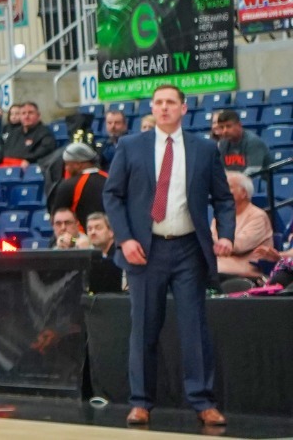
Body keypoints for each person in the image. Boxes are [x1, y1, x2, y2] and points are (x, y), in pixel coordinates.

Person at [101, 82, 235, 427]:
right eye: (158, 102)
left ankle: (204, 402)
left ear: (183, 108)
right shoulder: (131, 146)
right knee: (144, 327)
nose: (164, 108)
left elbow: (223, 197)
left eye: (170, 102)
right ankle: (141, 402)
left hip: (189, 248)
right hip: (145, 250)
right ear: (152, 107)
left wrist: (227, 234)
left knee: (194, 328)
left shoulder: (204, 149)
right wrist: (125, 239)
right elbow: (112, 196)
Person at [216, 172, 277, 288]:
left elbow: (238, 246)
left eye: (229, 187)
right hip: (222, 265)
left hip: (248, 270)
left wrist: (219, 244)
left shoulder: (258, 216)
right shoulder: (219, 217)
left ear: (243, 192)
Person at [48, 142, 108, 224]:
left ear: (78, 164)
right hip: (111, 234)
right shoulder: (109, 178)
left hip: (78, 236)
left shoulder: (68, 185)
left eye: (67, 164)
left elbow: (56, 219)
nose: (66, 169)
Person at [210, 109, 269, 176]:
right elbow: (222, 169)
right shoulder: (223, 143)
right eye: (222, 127)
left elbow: (253, 171)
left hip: (261, 183)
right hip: (235, 183)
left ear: (239, 125)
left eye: (228, 126)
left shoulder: (253, 142)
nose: (225, 131)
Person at [0, 102, 57, 167]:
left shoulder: (45, 133)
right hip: (9, 166)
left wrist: (28, 159)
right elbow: (4, 151)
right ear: (20, 117)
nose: (26, 116)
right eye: (23, 113)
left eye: (30, 113)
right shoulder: (14, 133)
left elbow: (44, 151)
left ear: (38, 116)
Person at [85, 213, 124, 294]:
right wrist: (73, 240)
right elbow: (73, 239)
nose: (93, 232)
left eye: (98, 228)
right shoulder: (82, 243)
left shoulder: (121, 252)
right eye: (89, 229)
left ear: (111, 232)